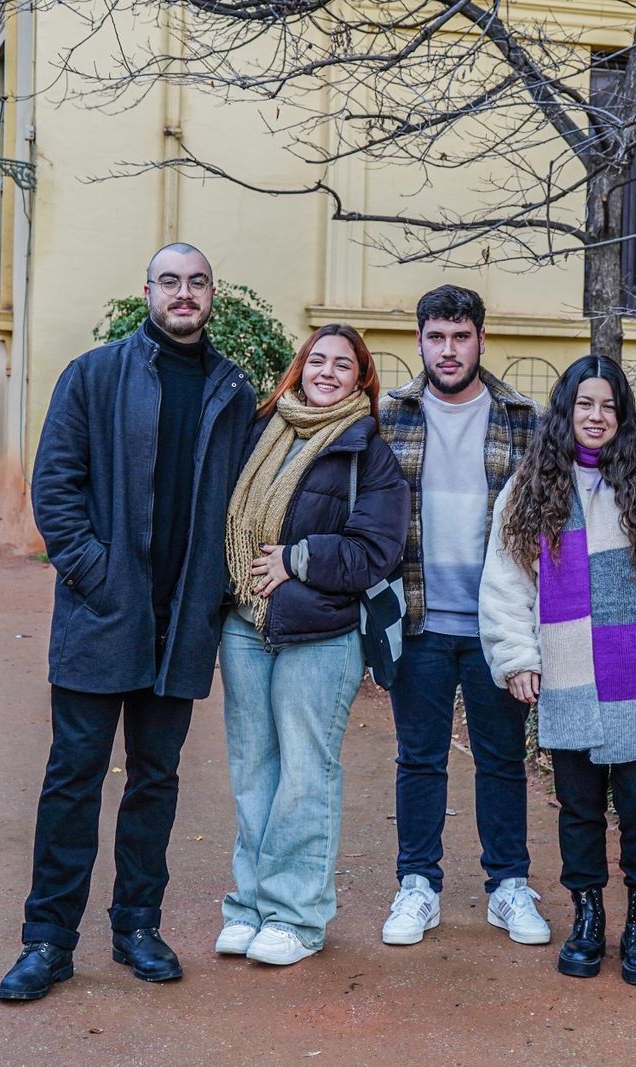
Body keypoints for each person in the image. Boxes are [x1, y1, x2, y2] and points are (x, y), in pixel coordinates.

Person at [0, 244, 256, 1001]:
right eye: (171, 281)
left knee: (156, 779)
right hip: (101, 616)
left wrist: (216, 591)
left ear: (213, 295)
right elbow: (56, 483)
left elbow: (242, 501)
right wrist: (94, 571)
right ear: (147, 290)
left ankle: (137, 924)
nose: (184, 294)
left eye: (197, 282)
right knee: (72, 778)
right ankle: (47, 940)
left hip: (183, 620)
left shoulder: (230, 389)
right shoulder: (95, 374)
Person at [480, 356, 636, 987]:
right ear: (566, 410)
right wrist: (517, 658)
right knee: (579, 807)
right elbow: (505, 587)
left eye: (609, 405)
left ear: (623, 415)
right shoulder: (531, 487)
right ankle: (588, 915)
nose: (596, 416)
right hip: (565, 672)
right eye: (584, 404)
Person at [216, 324, 409, 966]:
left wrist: (297, 558)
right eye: (317, 360)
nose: (327, 372)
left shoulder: (366, 451)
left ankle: (297, 916)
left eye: (343, 366)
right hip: (246, 624)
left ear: (361, 381)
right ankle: (250, 906)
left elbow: (376, 550)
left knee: (306, 770)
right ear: (299, 369)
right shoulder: (261, 433)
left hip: (321, 633)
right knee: (253, 769)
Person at [375, 284, 550, 947]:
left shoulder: (522, 418)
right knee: (419, 759)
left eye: (460, 336)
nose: (448, 350)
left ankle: (509, 884)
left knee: (502, 759)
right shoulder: (388, 417)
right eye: (436, 337)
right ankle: (417, 884)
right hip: (417, 618)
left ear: (481, 339)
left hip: (495, 626)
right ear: (420, 341)